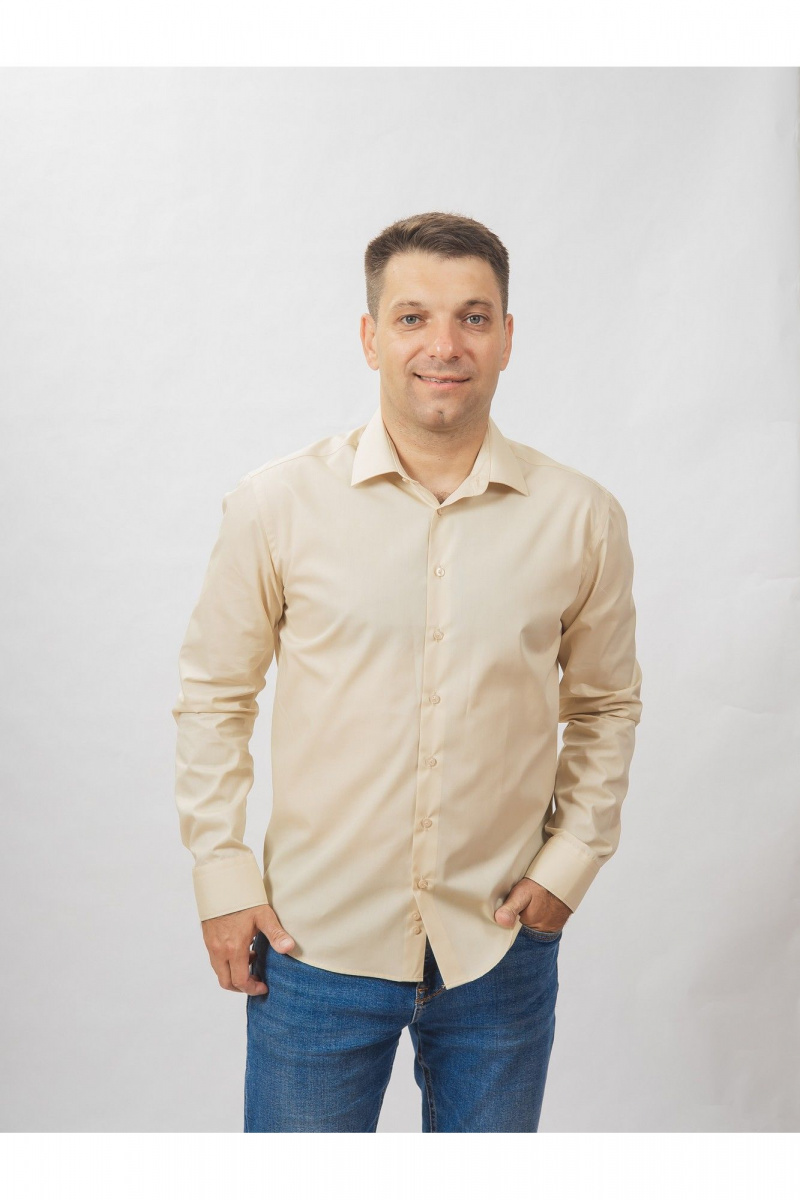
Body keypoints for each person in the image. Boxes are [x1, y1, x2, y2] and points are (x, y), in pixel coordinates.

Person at [171, 210, 643, 1133]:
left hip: (498, 947)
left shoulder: (582, 518)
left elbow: (606, 704)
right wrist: (223, 878)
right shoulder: (276, 506)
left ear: (507, 337)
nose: (444, 345)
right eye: (413, 317)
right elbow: (214, 699)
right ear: (370, 337)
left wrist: (572, 861)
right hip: (311, 945)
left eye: (473, 317)